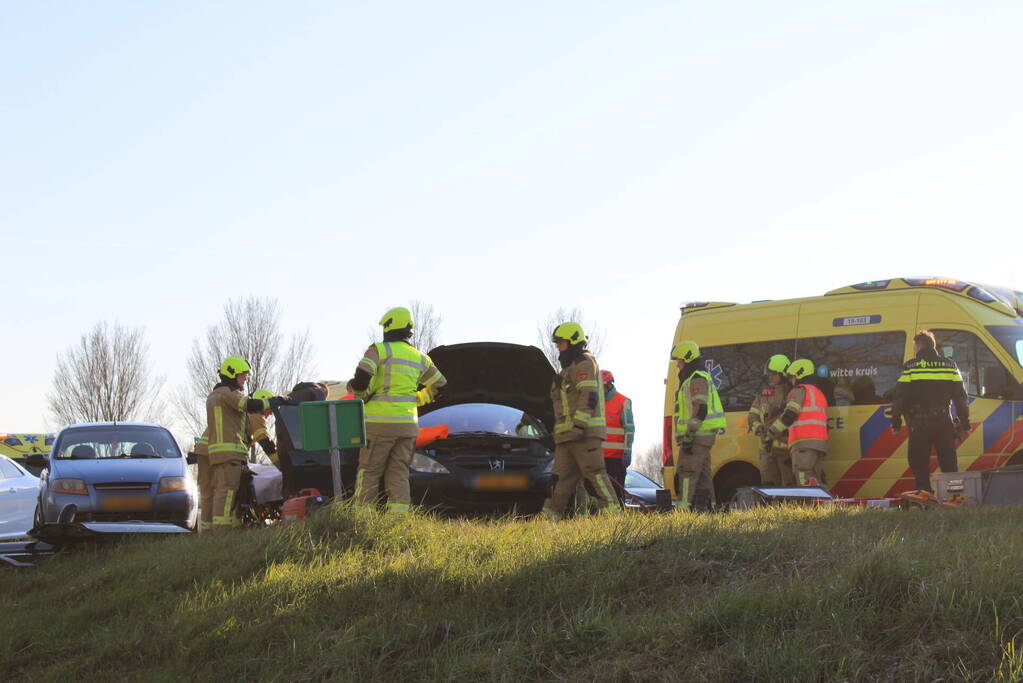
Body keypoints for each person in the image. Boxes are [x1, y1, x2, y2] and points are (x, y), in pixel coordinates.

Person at [346, 307, 446, 513]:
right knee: (399, 473)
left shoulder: (379, 350)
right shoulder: (420, 358)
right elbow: (442, 385)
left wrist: (360, 394)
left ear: (388, 326)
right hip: (408, 427)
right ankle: (397, 522)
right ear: (409, 329)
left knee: (369, 472)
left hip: (379, 424)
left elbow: (363, 374)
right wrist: (418, 399)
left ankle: (362, 521)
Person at [541, 322, 619, 518]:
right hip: (567, 437)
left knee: (595, 473)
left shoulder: (584, 364)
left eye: (561, 342)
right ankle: (549, 517)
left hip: (584, 434)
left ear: (573, 342)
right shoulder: (566, 370)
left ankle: (612, 512)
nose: (558, 346)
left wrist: (578, 426)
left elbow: (589, 396)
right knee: (560, 479)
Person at [891, 330, 970, 503]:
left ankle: (925, 496)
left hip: (920, 425)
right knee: (949, 462)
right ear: (933, 345)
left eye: (914, 346)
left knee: (919, 463)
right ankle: (955, 498)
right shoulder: (950, 366)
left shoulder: (911, 366)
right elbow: (961, 398)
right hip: (944, 422)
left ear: (919, 345)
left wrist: (896, 422)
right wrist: (965, 424)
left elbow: (899, 397)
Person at [202, 356, 280, 530]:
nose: (245, 380)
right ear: (231, 374)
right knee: (227, 492)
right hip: (229, 453)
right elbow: (249, 406)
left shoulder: (216, 395)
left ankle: (215, 533)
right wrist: (274, 401)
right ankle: (221, 533)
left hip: (219, 453)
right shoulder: (228, 394)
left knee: (218, 493)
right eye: (243, 376)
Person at [670, 340, 726, 510]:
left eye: (679, 361)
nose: (678, 365)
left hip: (697, 434)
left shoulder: (696, 378)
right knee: (702, 475)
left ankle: (683, 509)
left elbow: (700, 409)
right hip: (702, 434)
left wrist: (689, 434)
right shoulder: (695, 377)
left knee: (686, 472)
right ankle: (707, 509)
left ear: (687, 359)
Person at [769, 359, 828, 487]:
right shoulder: (819, 393)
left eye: (793, 377)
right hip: (820, 444)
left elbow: (789, 415)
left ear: (800, 375)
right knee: (815, 478)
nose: (791, 381)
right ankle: (822, 505)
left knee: (803, 478)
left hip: (803, 443)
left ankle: (808, 505)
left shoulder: (799, 391)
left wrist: (772, 431)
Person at [748, 354, 794, 487]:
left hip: (785, 450)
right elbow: (752, 415)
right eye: (769, 375)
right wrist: (758, 427)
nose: (770, 378)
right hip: (767, 451)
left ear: (783, 374)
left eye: (773, 374)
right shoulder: (764, 394)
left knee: (789, 484)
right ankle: (771, 508)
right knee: (768, 484)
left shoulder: (792, 393)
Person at [600, 369, 634, 506]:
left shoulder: (623, 401)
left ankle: (619, 517)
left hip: (616, 458)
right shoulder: (596, 403)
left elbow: (629, 429)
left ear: (608, 385)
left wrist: (627, 452)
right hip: (599, 457)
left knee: (617, 492)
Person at [246, 388, 279, 465]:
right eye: (270, 409)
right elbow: (265, 441)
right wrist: (282, 465)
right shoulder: (255, 414)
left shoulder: (247, 414)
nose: (271, 413)